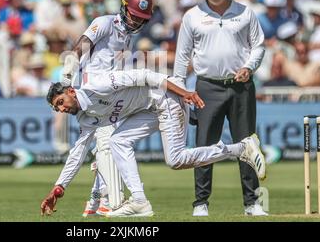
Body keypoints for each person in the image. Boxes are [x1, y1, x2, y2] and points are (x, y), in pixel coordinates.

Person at [41, 69, 266, 217]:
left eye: (61, 102)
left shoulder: (97, 85)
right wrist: (58, 189)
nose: (62, 109)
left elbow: (147, 75)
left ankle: (241, 147)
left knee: (175, 160)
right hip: (148, 109)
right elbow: (77, 153)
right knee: (117, 139)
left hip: (166, 96)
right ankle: (139, 200)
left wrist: (185, 93)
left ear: (71, 91)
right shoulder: (84, 117)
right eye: (57, 108)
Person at [173, 0, 267, 217]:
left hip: (241, 86)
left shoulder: (245, 12)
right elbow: (182, 56)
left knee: (247, 143)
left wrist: (249, 67)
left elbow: (258, 46)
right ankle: (201, 202)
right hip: (207, 86)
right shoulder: (192, 16)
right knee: (204, 145)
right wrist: (180, 90)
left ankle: (252, 203)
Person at [61, 0, 156, 216]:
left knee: (106, 146)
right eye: (133, 15)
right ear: (124, 8)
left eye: (141, 19)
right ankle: (108, 200)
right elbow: (81, 45)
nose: (136, 21)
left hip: (110, 96)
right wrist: (67, 75)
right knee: (102, 146)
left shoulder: (127, 37)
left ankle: (97, 201)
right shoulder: (104, 22)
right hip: (88, 92)